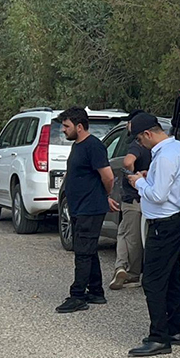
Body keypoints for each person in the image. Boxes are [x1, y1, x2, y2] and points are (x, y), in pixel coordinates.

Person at [127, 112, 180, 357]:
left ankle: (158, 337)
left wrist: (138, 183)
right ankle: (174, 330)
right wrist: (148, 176)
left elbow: (158, 195)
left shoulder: (164, 157)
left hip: (163, 224)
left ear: (148, 134)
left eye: (139, 141)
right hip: (175, 221)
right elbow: (171, 183)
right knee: (172, 277)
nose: (139, 146)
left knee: (152, 281)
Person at [56, 107, 120, 314]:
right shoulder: (78, 145)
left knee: (82, 251)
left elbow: (108, 176)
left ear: (80, 126)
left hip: (90, 208)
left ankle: (77, 296)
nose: (63, 130)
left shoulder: (94, 146)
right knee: (88, 249)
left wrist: (104, 196)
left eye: (66, 126)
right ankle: (95, 291)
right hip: (79, 206)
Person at [111, 113, 151, 290]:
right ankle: (124, 268)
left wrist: (132, 173)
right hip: (149, 197)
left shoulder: (136, 143)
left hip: (133, 197)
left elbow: (127, 161)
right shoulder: (157, 148)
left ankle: (128, 271)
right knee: (130, 233)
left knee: (129, 235)